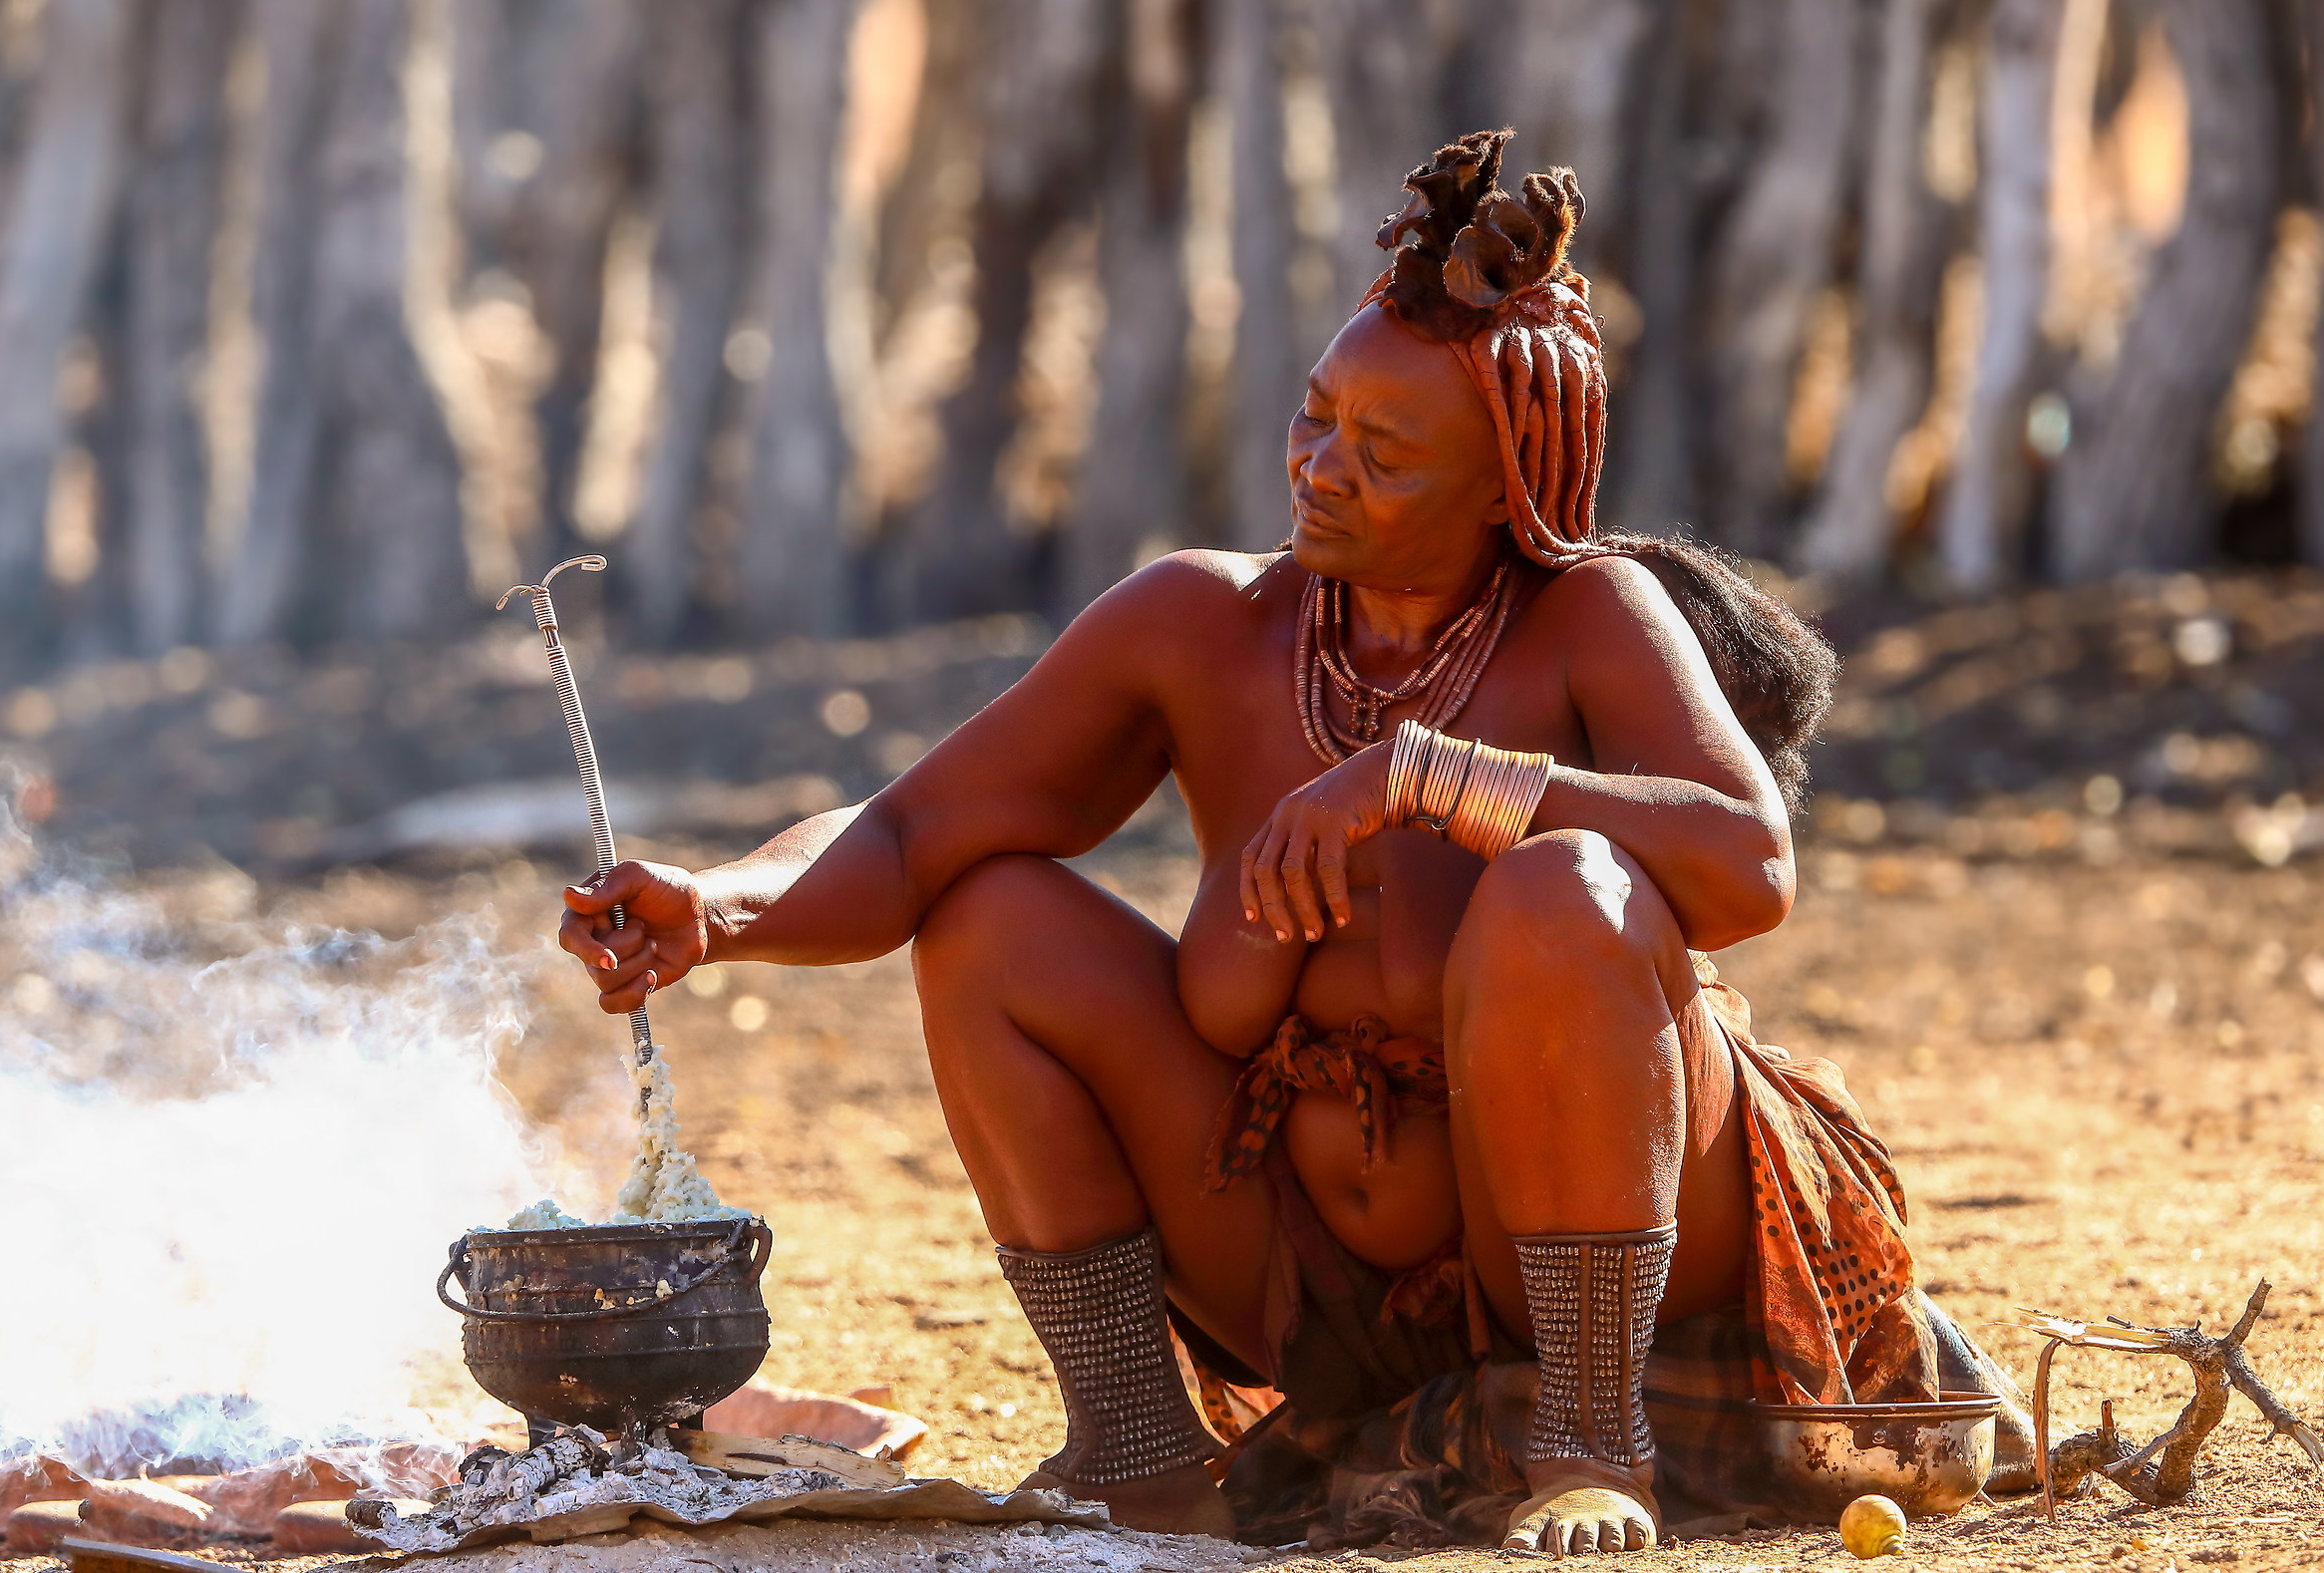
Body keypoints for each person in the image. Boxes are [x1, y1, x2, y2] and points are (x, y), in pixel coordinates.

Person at [559, 131, 2023, 1554]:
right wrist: (722, 905)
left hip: (1597, 1223)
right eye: (1316, 417)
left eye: (1384, 451)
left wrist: (1441, 775)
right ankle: (1137, 1453)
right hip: (1314, 1266)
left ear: (1504, 486)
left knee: (1566, 889)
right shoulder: (1201, 624)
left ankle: (1588, 1445)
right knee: (990, 919)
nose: (1322, 464)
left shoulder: (1591, 620)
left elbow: (1747, 867)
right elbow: (912, 828)